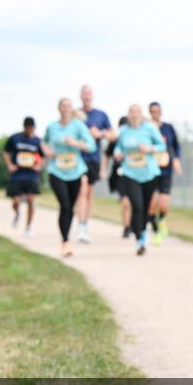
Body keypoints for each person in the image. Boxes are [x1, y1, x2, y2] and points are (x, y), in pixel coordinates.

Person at [45, 98, 96, 257]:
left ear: (71, 109)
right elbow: (44, 143)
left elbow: (91, 145)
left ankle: (66, 239)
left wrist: (75, 143)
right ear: (59, 108)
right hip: (56, 170)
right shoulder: (52, 127)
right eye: (63, 106)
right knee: (64, 205)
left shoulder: (78, 126)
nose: (65, 109)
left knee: (70, 206)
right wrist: (47, 151)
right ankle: (66, 241)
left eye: (68, 106)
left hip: (75, 171)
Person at [114, 105, 166, 255]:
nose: (134, 115)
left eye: (137, 112)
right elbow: (118, 147)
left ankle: (143, 232)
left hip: (149, 173)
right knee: (136, 205)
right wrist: (118, 153)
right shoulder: (124, 131)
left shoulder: (149, 129)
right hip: (130, 173)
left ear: (141, 115)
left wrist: (149, 149)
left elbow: (161, 145)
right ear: (128, 115)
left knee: (145, 206)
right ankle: (139, 239)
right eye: (131, 112)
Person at [74, 84, 114, 243]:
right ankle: (80, 224)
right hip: (77, 158)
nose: (87, 96)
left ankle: (84, 224)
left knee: (88, 193)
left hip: (93, 159)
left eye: (89, 94)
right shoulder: (75, 114)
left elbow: (112, 135)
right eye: (84, 94)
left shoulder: (100, 115)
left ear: (93, 96)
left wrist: (100, 134)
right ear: (80, 96)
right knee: (81, 191)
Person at [147, 101, 182, 244]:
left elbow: (175, 146)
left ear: (160, 112)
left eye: (157, 111)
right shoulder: (146, 128)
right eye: (153, 111)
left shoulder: (168, 128)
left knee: (163, 204)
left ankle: (161, 220)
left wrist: (176, 161)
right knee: (152, 203)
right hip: (150, 171)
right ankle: (155, 231)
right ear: (149, 112)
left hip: (166, 170)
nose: (155, 113)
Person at [4, 116, 44, 237]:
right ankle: (17, 213)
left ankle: (28, 227)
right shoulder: (15, 138)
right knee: (16, 201)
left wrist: (38, 165)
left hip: (31, 175)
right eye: (28, 128)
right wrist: (9, 165)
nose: (30, 130)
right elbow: (6, 151)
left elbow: (42, 156)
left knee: (31, 200)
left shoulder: (38, 141)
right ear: (25, 127)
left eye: (32, 128)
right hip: (17, 175)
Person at [105, 116, 133, 238]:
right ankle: (127, 227)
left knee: (135, 203)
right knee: (126, 202)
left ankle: (135, 224)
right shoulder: (115, 141)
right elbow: (107, 155)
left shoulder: (136, 139)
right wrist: (103, 170)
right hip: (121, 174)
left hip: (137, 174)